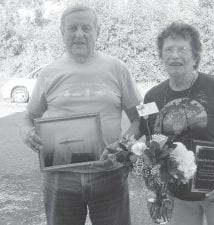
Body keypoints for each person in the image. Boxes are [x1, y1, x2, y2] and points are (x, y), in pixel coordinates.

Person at [20, 5, 142, 225]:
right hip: (60, 178)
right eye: (72, 28)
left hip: (110, 175)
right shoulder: (48, 73)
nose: (79, 34)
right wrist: (27, 133)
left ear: (97, 31)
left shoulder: (117, 68)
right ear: (62, 33)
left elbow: (139, 118)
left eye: (86, 28)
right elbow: (28, 116)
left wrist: (123, 146)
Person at [140, 22, 214, 225]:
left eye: (182, 49)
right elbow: (145, 142)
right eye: (168, 50)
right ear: (161, 56)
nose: (174, 55)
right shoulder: (151, 96)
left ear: (195, 55)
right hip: (177, 196)